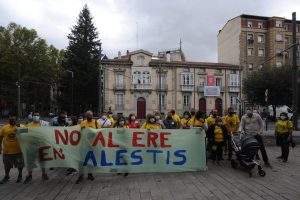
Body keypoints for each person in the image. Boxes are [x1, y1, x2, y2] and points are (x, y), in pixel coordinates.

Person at [23, 112, 49, 184]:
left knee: (42, 161)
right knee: (30, 161)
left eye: (37, 115)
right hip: (31, 146)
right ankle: (29, 175)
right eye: (35, 115)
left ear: (39, 116)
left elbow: (49, 132)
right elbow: (23, 132)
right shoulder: (28, 125)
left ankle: (44, 174)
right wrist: (18, 130)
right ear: (32, 116)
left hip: (41, 146)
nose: (36, 116)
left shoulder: (43, 125)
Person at [76, 111, 101, 184]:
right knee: (81, 161)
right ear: (86, 116)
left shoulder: (96, 123)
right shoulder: (83, 123)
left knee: (90, 160)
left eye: (91, 115)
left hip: (92, 145)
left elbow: (99, 133)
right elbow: (79, 132)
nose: (90, 116)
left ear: (93, 115)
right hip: (84, 145)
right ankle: (81, 175)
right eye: (88, 115)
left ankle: (90, 174)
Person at [0, 116, 24, 184]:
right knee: (6, 165)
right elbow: (0, 137)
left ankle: (20, 175)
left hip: (18, 151)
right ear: (8, 121)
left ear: (16, 121)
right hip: (7, 152)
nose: (12, 121)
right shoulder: (4, 127)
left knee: (20, 164)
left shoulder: (21, 126)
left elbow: (27, 133)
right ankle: (7, 176)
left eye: (14, 120)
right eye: (11, 120)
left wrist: (19, 128)